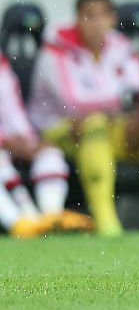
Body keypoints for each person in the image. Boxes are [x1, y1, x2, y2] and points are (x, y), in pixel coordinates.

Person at [28, 0, 139, 237]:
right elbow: (74, 102)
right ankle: (108, 226)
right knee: (94, 124)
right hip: (58, 130)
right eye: (89, 16)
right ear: (77, 18)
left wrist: (136, 112)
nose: (96, 23)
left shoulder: (121, 46)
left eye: (103, 16)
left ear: (112, 19)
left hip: (110, 125)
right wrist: (123, 102)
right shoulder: (56, 48)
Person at [1, 51, 89, 237]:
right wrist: (5, 140)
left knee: (50, 154)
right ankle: (19, 221)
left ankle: (51, 218)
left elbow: (10, 106)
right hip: (4, 144)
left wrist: (26, 139)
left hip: (10, 141)